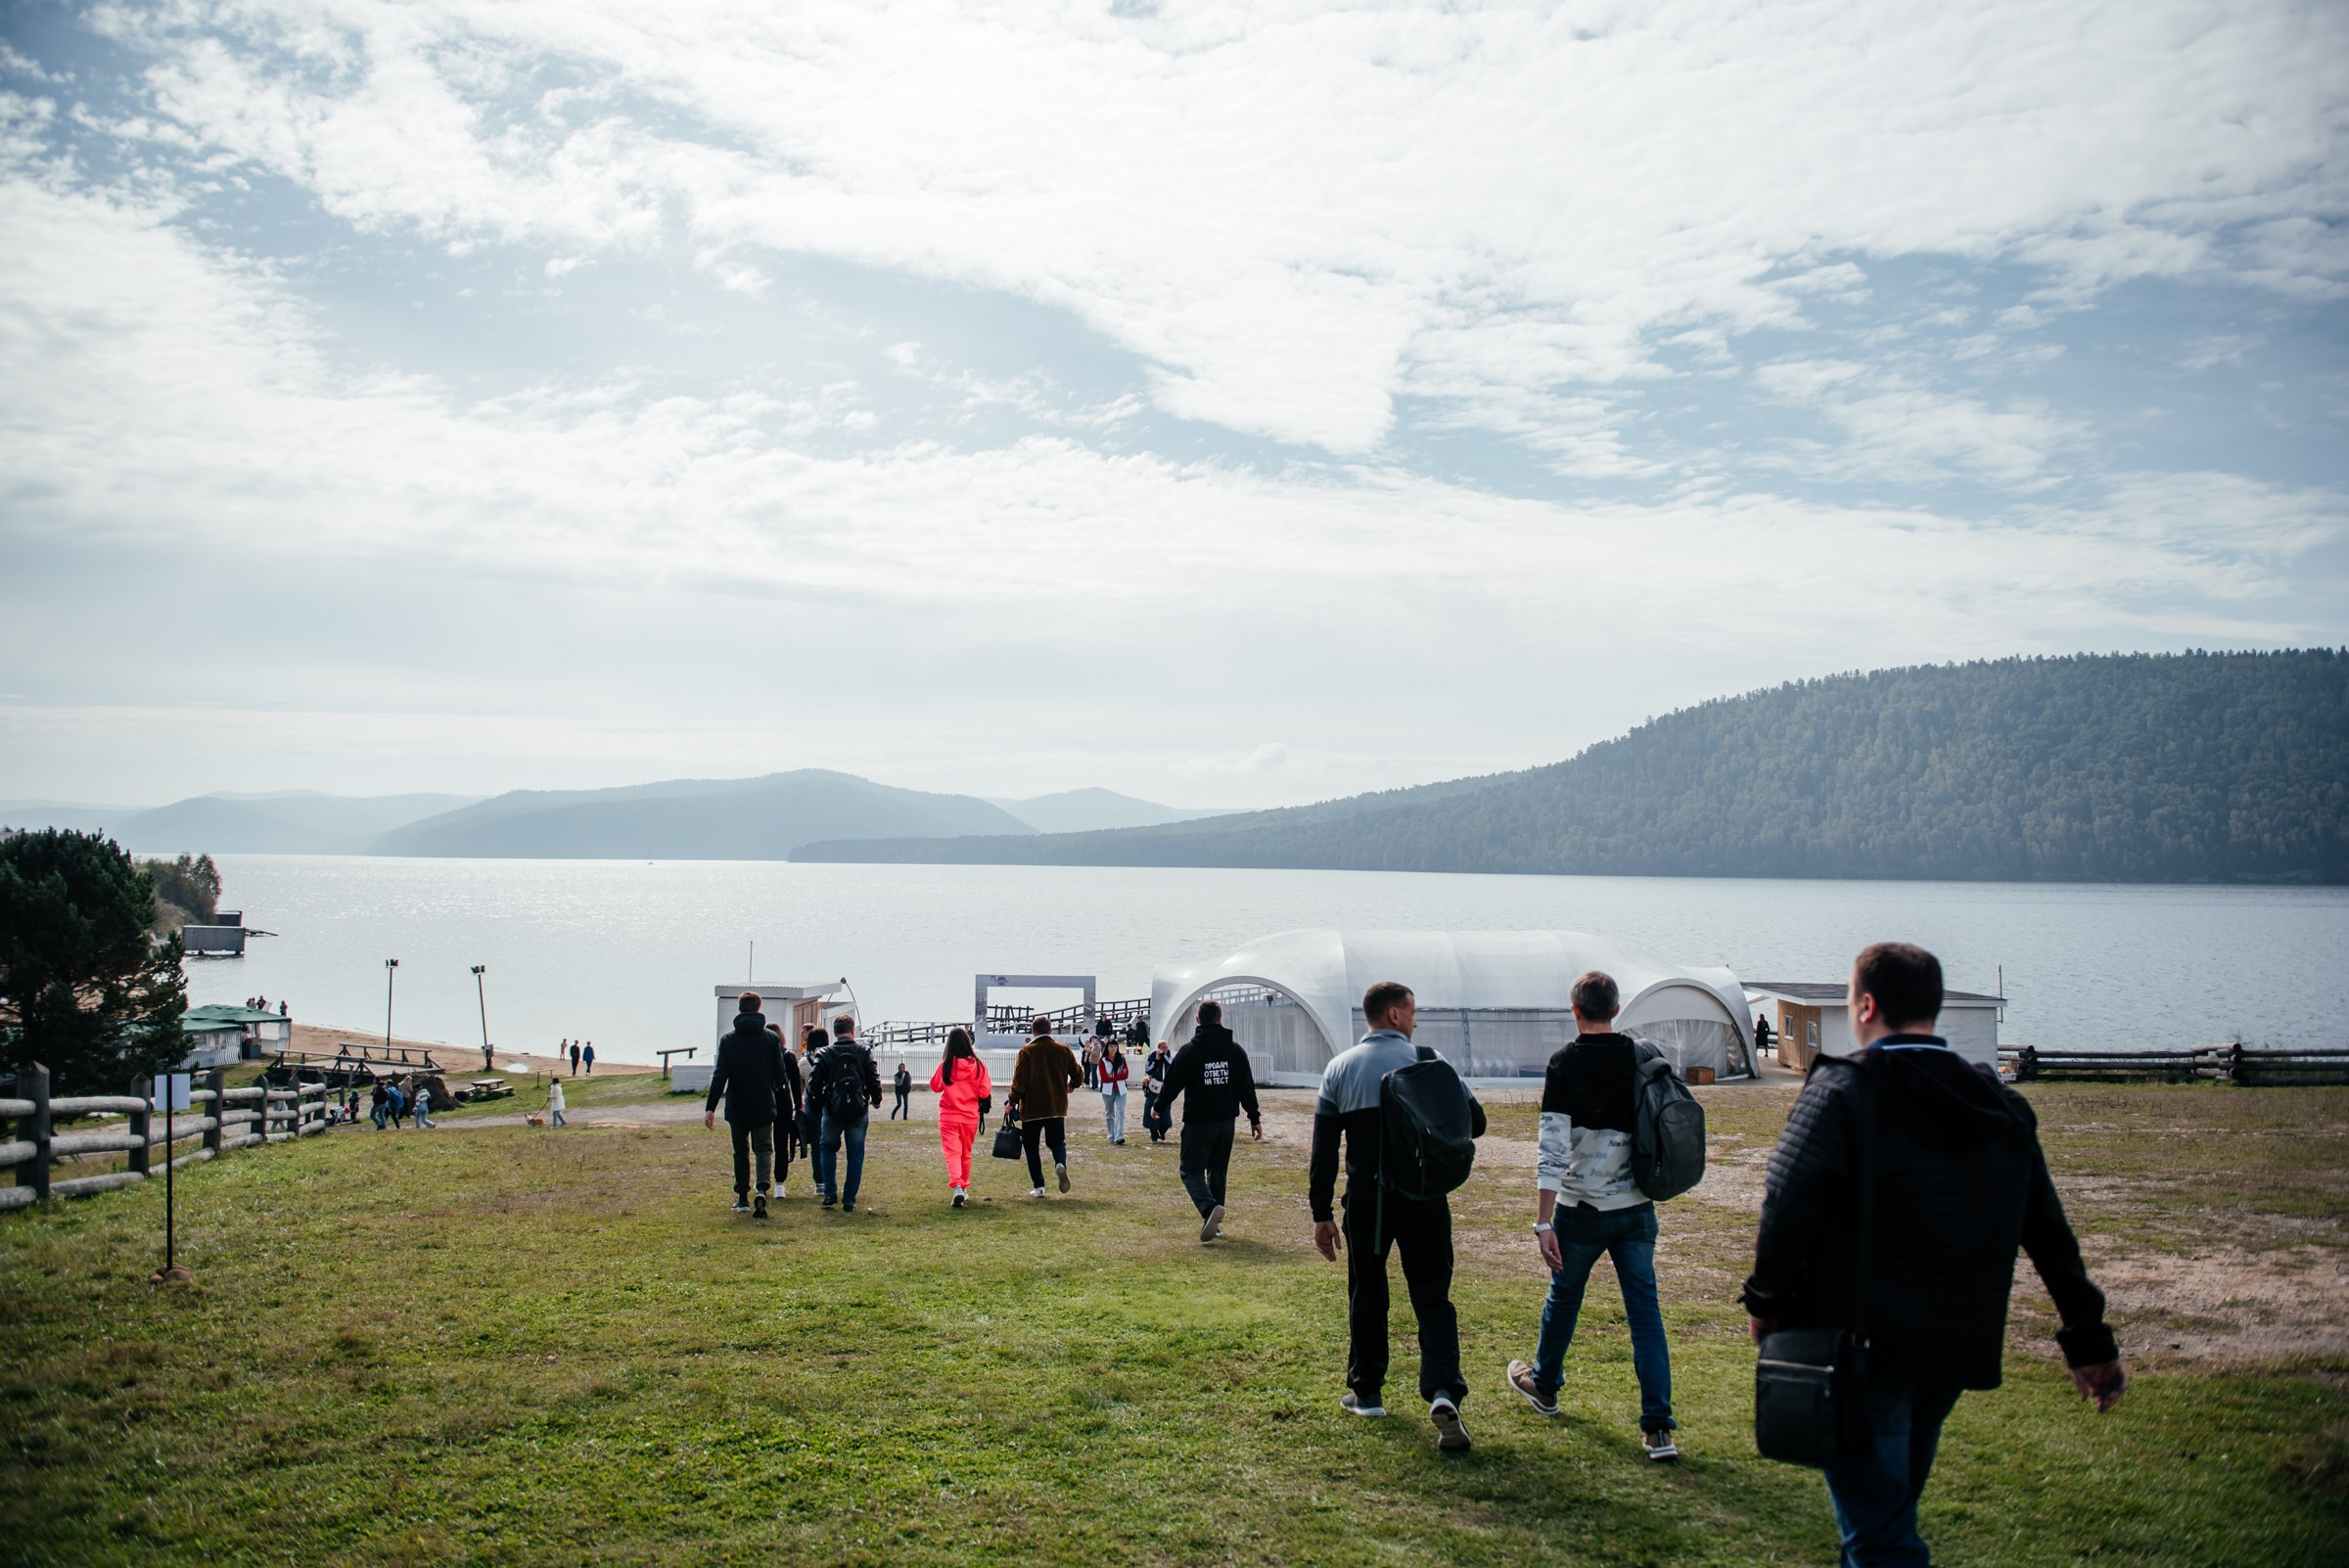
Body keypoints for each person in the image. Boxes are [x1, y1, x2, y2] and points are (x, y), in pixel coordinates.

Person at [1744, 942, 2127, 1567]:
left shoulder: (1842, 1091)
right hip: (1953, 1346)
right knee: (1885, 1516)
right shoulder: (1999, 1104)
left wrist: (1766, 1304)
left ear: (1865, 1005)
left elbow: (1786, 1201)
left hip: (1860, 1346)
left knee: (1881, 1540)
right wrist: (2088, 1340)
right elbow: (2050, 1234)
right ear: (1934, 1007)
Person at [1504, 970, 1677, 1459]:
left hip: (1580, 1209)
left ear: (1574, 1010)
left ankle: (1545, 1384)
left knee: (1564, 1298)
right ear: (1616, 1009)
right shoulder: (1640, 1057)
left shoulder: (1563, 1063)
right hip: (1635, 1208)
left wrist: (1543, 1221)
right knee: (1645, 1315)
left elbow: (1553, 1149)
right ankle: (1658, 1428)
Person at [1310, 980, 1483, 1452]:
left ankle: (1367, 1392)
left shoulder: (1340, 1068)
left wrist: (1320, 1212)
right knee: (1433, 1297)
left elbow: (1324, 1150)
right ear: (1393, 1016)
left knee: (1367, 1289)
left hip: (1368, 1202)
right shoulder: (1431, 1062)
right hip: (1426, 1199)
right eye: (1412, 1011)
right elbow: (1477, 1122)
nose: (1416, 1020)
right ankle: (1444, 1390)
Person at [1159, 1000, 1264, 1242]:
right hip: (1226, 1122)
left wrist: (1158, 1107)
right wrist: (1254, 1119)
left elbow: (1172, 1083)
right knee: (1217, 1173)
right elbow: (1246, 1087)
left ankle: (1209, 1210)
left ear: (1198, 1021)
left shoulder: (1190, 1051)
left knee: (1190, 1170)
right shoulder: (1235, 1051)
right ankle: (1214, 1225)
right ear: (1220, 1019)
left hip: (1198, 1122)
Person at [705, 992, 791, 1217]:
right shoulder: (771, 1039)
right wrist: (782, 1099)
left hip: (738, 1105)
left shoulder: (728, 1040)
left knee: (740, 1151)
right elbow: (780, 1074)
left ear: (740, 1009)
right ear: (759, 1007)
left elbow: (720, 1075)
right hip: (764, 1103)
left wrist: (711, 1107)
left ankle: (742, 1197)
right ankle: (761, 1188)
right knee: (763, 1149)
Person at [807, 1016, 883, 1213]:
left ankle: (830, 1192)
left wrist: (819, 1102)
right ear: (852, 1030)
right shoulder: (863, 1051)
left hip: (833, 1109)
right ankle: (849, 1199)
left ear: (834, 1032)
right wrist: (876, 1099)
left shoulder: (825, 1053)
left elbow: (813, 1083)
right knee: (855, 1154)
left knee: (827, 1148)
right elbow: (873, 1077)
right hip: (857, 1109)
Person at [1007, 1015, 1083, 1198]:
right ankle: (1060, 1164)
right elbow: (1079, 1074)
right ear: (1051, 1030)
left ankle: (1039, 1186)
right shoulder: (1063, 1050)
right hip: (1056, 1107)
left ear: (1034, 1031)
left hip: (1032, 1109)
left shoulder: (1027, 1051)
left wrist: (1011, 1102)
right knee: (1057, 1142)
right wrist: (1071, 1086)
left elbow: (1019, 1081)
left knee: (1031, 1147)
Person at [929, 1027, 993, 1207]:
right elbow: (984, 1091)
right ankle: (962, 1187)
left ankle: (957, 1185)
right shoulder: (978, 1066)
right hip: (969, 1116)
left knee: (952, 1153)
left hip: (949, 1115)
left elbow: (935, 1086)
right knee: (965, 1154)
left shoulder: (946, 1065)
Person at [1096, 1031, 1130, 1145]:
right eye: (1111, 1046)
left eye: (1115, 1046)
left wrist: (1114, 1076)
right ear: (1107, 1047)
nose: (1113, 1048)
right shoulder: (1103, 1060)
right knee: (1109, 1113)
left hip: (1121, 1089)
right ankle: (1111, 1135)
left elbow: (1126, 1074)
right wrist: (1117, 1076)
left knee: (1121, 1111)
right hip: (1108, 1089)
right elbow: (1104, 1077)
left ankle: (1119, 1135)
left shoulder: (1122, 1059)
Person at [1142, 1040, 1174, 1142]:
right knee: (1151, 1108)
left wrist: (1163, 1057)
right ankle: (1153, 1133)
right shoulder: (1152, 1056)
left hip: (1165, 1087)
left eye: (1166, 1047)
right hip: (1153, 1088)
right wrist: (1156, 1060)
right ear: (1158, 1048)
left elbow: (1170, 1065)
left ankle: (1163, 1130)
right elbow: (1149, 1070)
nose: (1164, 1050)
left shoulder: (1169, 1056)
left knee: (1165, 1110)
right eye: (1162, 1048)